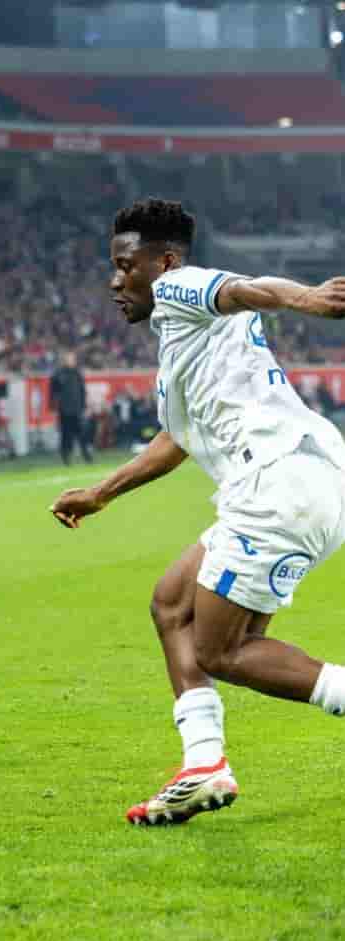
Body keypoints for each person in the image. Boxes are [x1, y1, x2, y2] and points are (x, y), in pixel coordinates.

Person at [51, 198, 345, 826]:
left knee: (222, 651)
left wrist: (308, 300)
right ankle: (203, 763)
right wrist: (101, 493)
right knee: (172, 604)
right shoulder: (182, 347)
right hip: (289, 479)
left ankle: (212, 762)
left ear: (162, 263)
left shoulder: (179, 286)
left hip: (276, 481)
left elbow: (244, 288)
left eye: (124, 266)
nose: (115, 282)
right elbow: (175, 441)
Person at [49, 353, 93, 465]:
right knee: (66, 434)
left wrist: (85, 406)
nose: (71, 361)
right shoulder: (58, 374)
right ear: (64, 361)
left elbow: (82, 391)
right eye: (69, 359)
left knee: (82, 433)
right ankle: (66, 457)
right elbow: (52, 393)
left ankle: (86, 455)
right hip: (64, 410)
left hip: (77, 409)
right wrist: (53, 408)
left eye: (72, 359)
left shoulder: (77, 373)